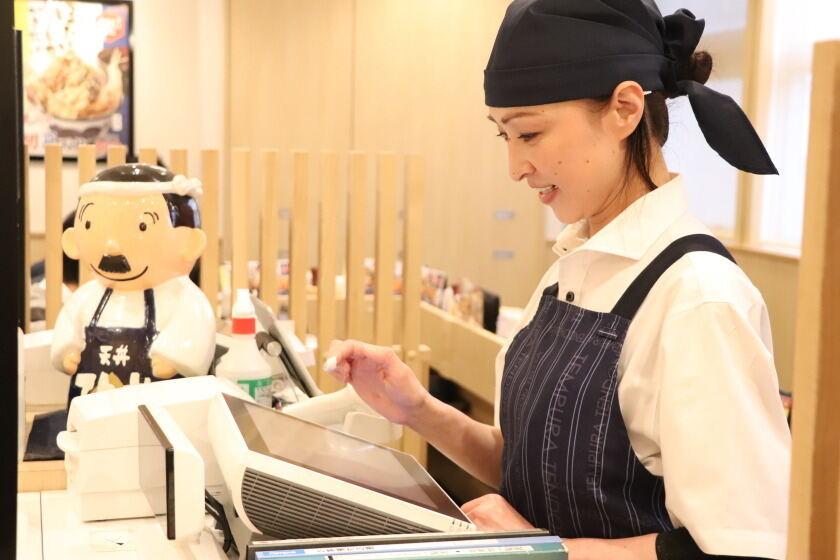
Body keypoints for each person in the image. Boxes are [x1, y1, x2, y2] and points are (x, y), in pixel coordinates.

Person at [325, 1, 790, 559]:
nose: (515, 167)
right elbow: (536, 468)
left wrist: (542, 551)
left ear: (624, 109)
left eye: (530, 134)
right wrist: (417, 410)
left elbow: (743, 549)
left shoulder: (698, 299)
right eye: (504, 137)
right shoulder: (570, 266)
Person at [50, 163, 216, 406]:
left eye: (142, 226)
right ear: (73, 240)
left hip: (163, 420)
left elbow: (194, 331)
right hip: (91, 412)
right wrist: (67, 350)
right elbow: (68, 325)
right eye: (90, 226)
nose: (111, 248)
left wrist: (175, 357)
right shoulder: (88, 297)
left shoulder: (183, 297)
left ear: (189, 244)